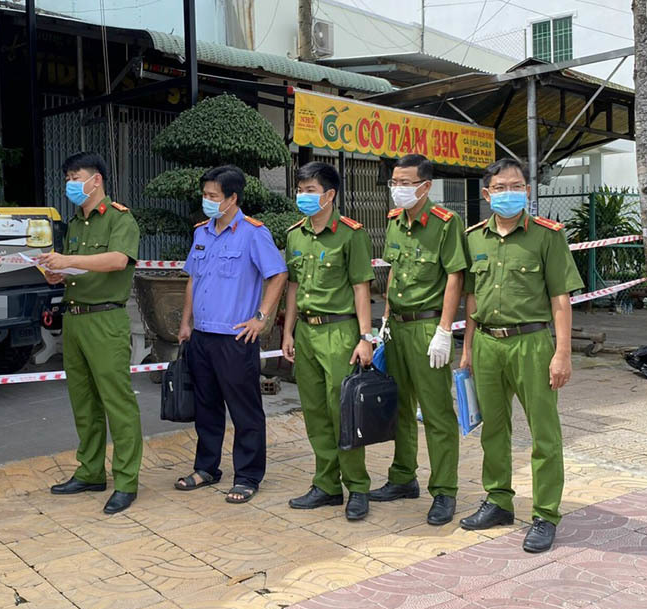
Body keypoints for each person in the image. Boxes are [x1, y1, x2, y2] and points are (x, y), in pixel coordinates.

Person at [459, 157, 583, 553]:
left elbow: (560, 299)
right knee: (493, 429)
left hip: (532, 344)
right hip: (487, 345)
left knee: (544, 433)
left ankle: (545, 514)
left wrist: (562, 353)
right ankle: (498, 500)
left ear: (528, 191)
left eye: (516, 186)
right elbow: (472, 297)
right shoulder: (474, 237)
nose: (509, 193)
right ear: (486, 194)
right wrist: (466, 349)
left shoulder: (547, 236)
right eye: (500, 187)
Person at [175, 165, 287, 504]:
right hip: (202, 337)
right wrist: (185, 323)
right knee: (206, 407)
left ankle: (248, 475)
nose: (207, 201)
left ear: (232, 198)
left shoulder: (253, 233)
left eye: (213, 196)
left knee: (245, 411)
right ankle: (207, 468)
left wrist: (261, 318)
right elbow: (193, 279)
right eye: (205, 195)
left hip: (236, 338)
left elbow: (277, 275)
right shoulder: (201, 233)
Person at [39, 152, 142, 515]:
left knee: (117, 402)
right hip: (75, 319)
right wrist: (58, 273)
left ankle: (127, 480)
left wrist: (69, 261)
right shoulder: (75, 224)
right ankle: (91, 471)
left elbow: (117, 260)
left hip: (105, 320)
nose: (70, 183)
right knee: (83, 402)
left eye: (75, 176)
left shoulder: (119, 218)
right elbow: (79, 270)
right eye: (66, 176)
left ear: (95, 180)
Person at [371, 154, 467, 526]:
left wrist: (445, 330)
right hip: (396, 327)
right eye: (395, 182)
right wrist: (384, 319)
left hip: (429, 328)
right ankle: (402, 477)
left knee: (438, 412)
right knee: (399, 406)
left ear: (425, 186)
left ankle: (444, 490)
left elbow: (455, 278)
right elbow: (394, 270)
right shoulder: (396, 222)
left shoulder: (445, 223)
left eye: (407, 182)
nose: (399, 189)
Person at [282, 162, 375, 521]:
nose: (303, 197)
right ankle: (326, 485)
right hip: (306, 331)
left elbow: (360, 288)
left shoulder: (351, 234)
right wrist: (288, 331)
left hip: (340, 331)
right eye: (300, 190)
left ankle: (357, 487)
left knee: (344, 413)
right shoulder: (295, 235)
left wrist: (365, 337)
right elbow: (293, 286)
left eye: (310, 191)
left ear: (330, 194)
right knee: (316, 412)